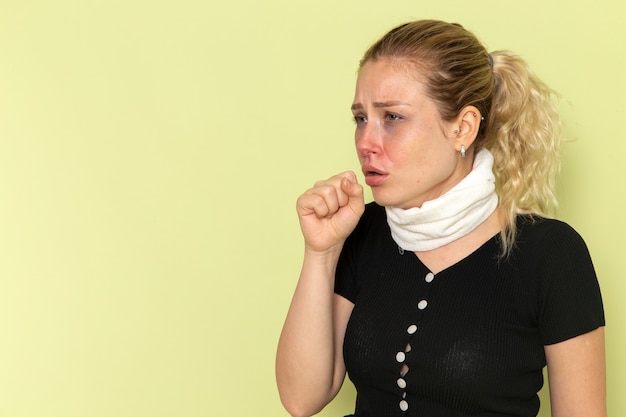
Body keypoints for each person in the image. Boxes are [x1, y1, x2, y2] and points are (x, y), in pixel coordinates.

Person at [276, 19, 605, 417]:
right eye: (361, 118)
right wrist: (321, 251)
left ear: (462, 128)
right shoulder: (362, 231)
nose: (366, 142)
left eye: (392, 117)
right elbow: (301, 398)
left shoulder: (550, 254)